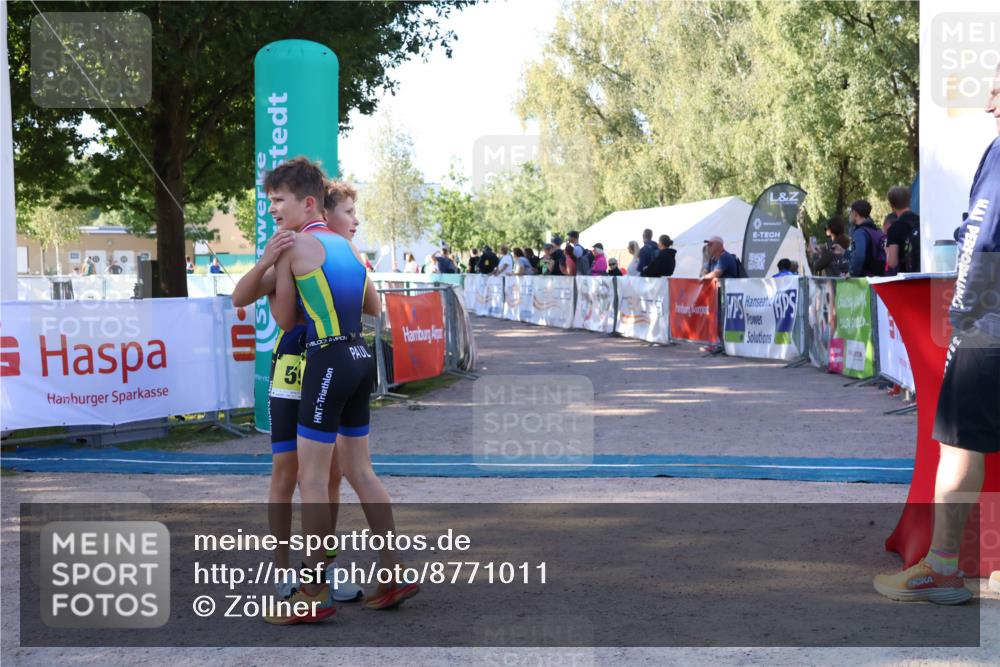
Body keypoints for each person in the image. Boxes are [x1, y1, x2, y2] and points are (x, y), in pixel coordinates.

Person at [269, 158, 417, 622]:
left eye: (278, 200)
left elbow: (285, 320)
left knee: (313, 479)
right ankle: (393, 572)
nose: (273, 209)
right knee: (361, 471)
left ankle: (312, 592)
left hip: (327, 358)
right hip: (359, 357)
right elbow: (374, 307)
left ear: (308, 203)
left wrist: (279, 274)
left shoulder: (298, 246)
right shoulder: (350, 249)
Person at [874, 68, 1000, 604]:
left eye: (998, 90)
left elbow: (980, 239)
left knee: (957, 442)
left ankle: (943, 568)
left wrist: (963, 316)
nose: (990, 102)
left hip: (989, 323)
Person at [231, 175, 363, 607]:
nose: (351, 221)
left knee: (330, 476)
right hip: (293, 368)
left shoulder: (335, 251)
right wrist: (267, 262)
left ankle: (322, 566)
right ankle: (283, 568)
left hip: (330, 366)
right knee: (287, 472)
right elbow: (240, 296)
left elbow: (369, 306)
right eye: (346, 212)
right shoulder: (290, 249)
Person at [886, 186, 921, 275]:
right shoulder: (921, 221)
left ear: (892, 206)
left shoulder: (894, 228)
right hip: (926, 273)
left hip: (907, 277)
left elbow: (892, 263)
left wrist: (886, 251)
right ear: (909, 201)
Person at [847, 200, 885, 278]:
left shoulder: (860, 232)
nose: (849, 215)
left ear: (855, 213)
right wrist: (843, 252)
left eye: (850, 212)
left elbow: (859, 255)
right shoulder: (875, 230)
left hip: (864, 279)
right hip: (877, 277)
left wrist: (852, 273)